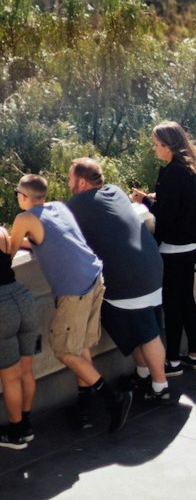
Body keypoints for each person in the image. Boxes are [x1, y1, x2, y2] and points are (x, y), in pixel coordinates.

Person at [6, 174, 131, 433]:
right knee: (80, 346)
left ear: (24, 196)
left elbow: (9, 251)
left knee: (65, 351)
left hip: (74, 291)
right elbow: (52, 238)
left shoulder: (24, 218)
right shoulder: (58, 207)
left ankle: (112, 398)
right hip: (95, 278)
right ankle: (84, 407)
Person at [67, 158, 171, 406]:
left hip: (128, 279)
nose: (68, 184)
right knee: (122, 319)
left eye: (70, 179)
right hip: (151, 267)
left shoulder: (78, 204)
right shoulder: (115, 191)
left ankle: (160, 386)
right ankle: (144, 374)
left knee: (147, 333)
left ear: (81, 182)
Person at [130, 121, 196, 376]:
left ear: (168, 146)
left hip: (174, 246)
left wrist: (144, 200)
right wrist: (156, 197)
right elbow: (179, 200)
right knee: (187, 298)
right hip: (193, 242)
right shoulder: (193, 167)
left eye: (156, 145)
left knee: (172, 304)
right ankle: (195, 353)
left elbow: (165, 216)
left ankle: (173, 360)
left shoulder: (170, 173)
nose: (154, 150)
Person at [0, 221, 40, 450]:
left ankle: (15, 434)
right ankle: (25, 425)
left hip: (3, 310)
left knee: (10, 377)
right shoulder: (3, 232)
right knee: (25, 370)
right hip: (22, 297)